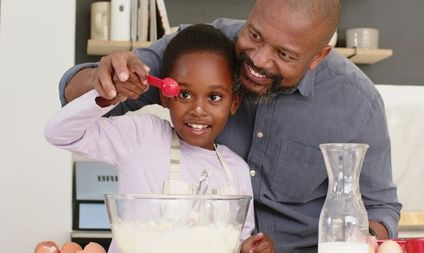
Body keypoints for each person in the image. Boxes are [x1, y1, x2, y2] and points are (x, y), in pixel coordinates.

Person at [59, 0, 402, 252]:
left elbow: (380, 207)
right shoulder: (203, 47)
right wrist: (101, 78)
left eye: (284, 55)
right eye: (254, 34)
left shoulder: (357, 102)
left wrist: (360, 241)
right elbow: (82, 96)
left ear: (318, 56)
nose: (258, 60)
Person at [46, 24, 274, 253]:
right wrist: (106, 96)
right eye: (184, 94)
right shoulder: (143, 137)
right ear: (165, 96)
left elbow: (238, 241)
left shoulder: (236, 171)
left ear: (234, 102)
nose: (198, 109)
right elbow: (60, 134)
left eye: (214, 97)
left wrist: (251, 249)